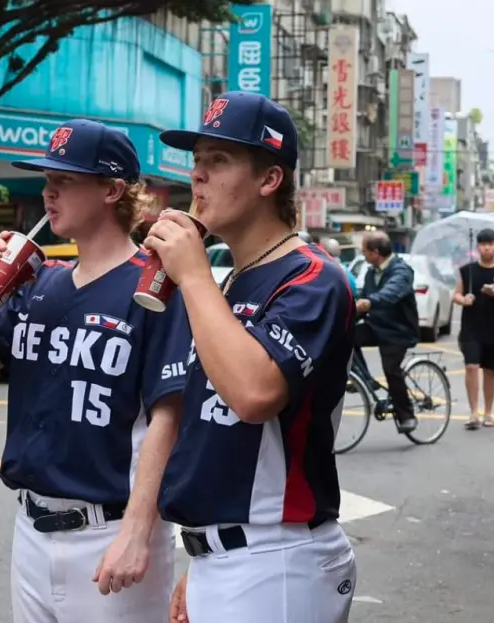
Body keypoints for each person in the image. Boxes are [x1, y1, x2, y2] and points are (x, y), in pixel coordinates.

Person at [0, 119, 190, 623]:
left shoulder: (153, 289)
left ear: (112, 190)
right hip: (31, 528)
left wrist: (138, 532)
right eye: (46, 178)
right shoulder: (39, 284)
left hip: (110, 533)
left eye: (66, 180)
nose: (48, 191)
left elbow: (168, 416)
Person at [144, 91, 357, 623]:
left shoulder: (313, 277)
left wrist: (192, 274)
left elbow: (254, 394)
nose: (198, 177)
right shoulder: (229, 280)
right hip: (227, 557)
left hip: (277, 559)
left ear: (269, 180)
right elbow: (211, 436)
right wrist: (203, 559)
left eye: (218, 161)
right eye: (196, 161)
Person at [454, 228, 494, 430]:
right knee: (471, 367)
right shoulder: (467, 270)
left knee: (490, 371)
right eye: (483, 244)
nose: (487, 248)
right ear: (478, 247)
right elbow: (456, 294)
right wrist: (464, 299)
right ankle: (474, 412)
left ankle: (488, 413)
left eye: (490, 244)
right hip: (471, 327)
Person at [354, 232, 419, 434]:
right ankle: (367, 381)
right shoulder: (370, 272)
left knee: (391, 369)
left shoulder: (402, 271)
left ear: (375, 253)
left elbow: (390, 293)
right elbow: (362, 298)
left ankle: (407, 415)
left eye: (364, 251)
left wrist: (370, 302)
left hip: (398, 331)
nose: (363, 255)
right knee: (343, 336)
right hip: (376, 326)